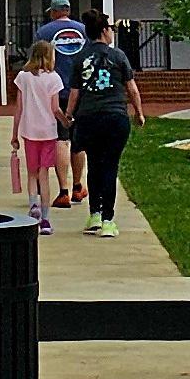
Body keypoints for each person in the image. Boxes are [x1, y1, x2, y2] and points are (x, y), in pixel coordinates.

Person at [63, 14, 138, 233]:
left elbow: (75, 93)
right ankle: (108, 220)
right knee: (110, 166)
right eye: (111, 28)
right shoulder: (118, 56)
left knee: (94, 165)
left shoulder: (80, 58)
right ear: (105, 30)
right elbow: (131, 88)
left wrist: (68, 115)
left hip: (89, 117)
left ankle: (94, 214)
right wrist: (139, 113)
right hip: (115, 117)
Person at [11, 49, 67, 227]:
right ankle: (45, 218)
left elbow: (19, 108)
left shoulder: (23, 77)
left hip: (29, 131)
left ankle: (33, 204)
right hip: (48, 132)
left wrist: (14, 134)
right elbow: (56, 108)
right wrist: (66, 122)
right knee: (44, 173)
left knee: (32, 172)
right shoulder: (54, 78)